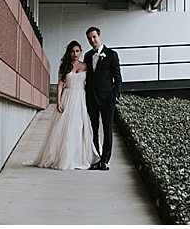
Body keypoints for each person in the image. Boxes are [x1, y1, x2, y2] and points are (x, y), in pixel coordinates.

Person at [29, 41, 100, 170]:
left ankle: (77, 157)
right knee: (64, 126)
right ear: (69, 52)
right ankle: (63, 156)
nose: (75, 54)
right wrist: (58, 102)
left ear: (81, 52)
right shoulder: (64, 67)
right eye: (72, 51)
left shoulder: (86, 66)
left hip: (80, 98)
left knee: (79, 127)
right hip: (67, 97)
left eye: (77, 51)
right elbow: (60, 84)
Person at [83, 26, 122, 171]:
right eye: (89, 38)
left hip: (107, 99)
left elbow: (118, 78)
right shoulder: (87, 56)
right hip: (92, 98)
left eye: (94, 37)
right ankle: (96, 158)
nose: (92, 40)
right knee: (93, 129)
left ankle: (105, 160)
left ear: (99, 36)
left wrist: (115, 96)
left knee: (107, 130)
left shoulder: (111, 55)